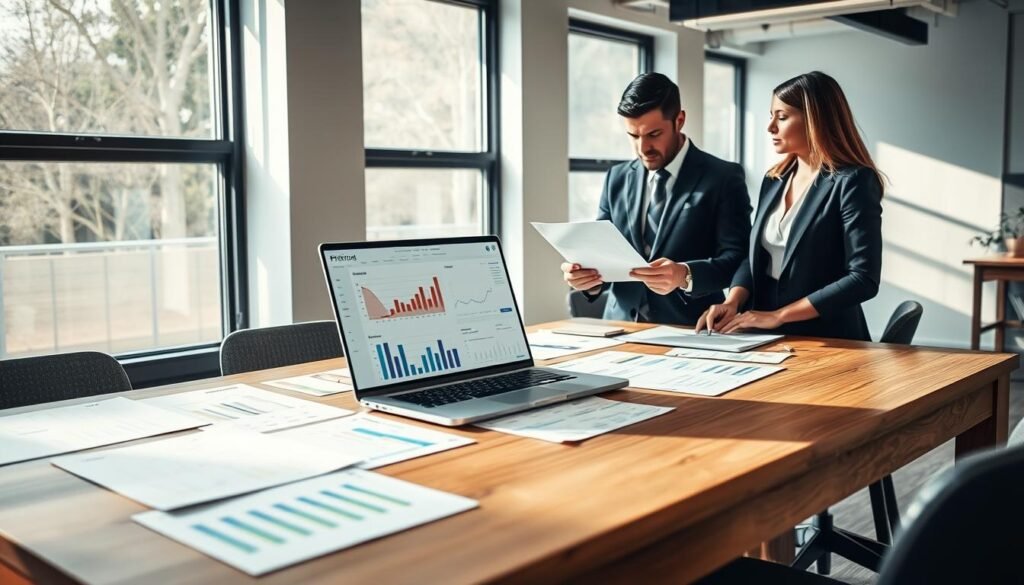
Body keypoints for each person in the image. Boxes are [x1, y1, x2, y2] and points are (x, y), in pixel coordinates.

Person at [695, 71, 884, 340]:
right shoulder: (774, 180)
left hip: (828, 337)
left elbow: (863, 279)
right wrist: (732, 302)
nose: (771, 127)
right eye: (771, 115)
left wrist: (779, 316)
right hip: (760, 332)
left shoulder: (853, 181)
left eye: (782, 117)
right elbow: (755, 258)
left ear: (815, 121)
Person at [562, 73, 751, 325]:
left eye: (653, 134)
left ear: (679, 120)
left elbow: (739, 259)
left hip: (689, 329)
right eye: (633, 136)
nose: (643, 148)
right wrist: (588, 280)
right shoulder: (616, 178)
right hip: (619, 328)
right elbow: (603, 251)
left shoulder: (723, 178)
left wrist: (685, 275)